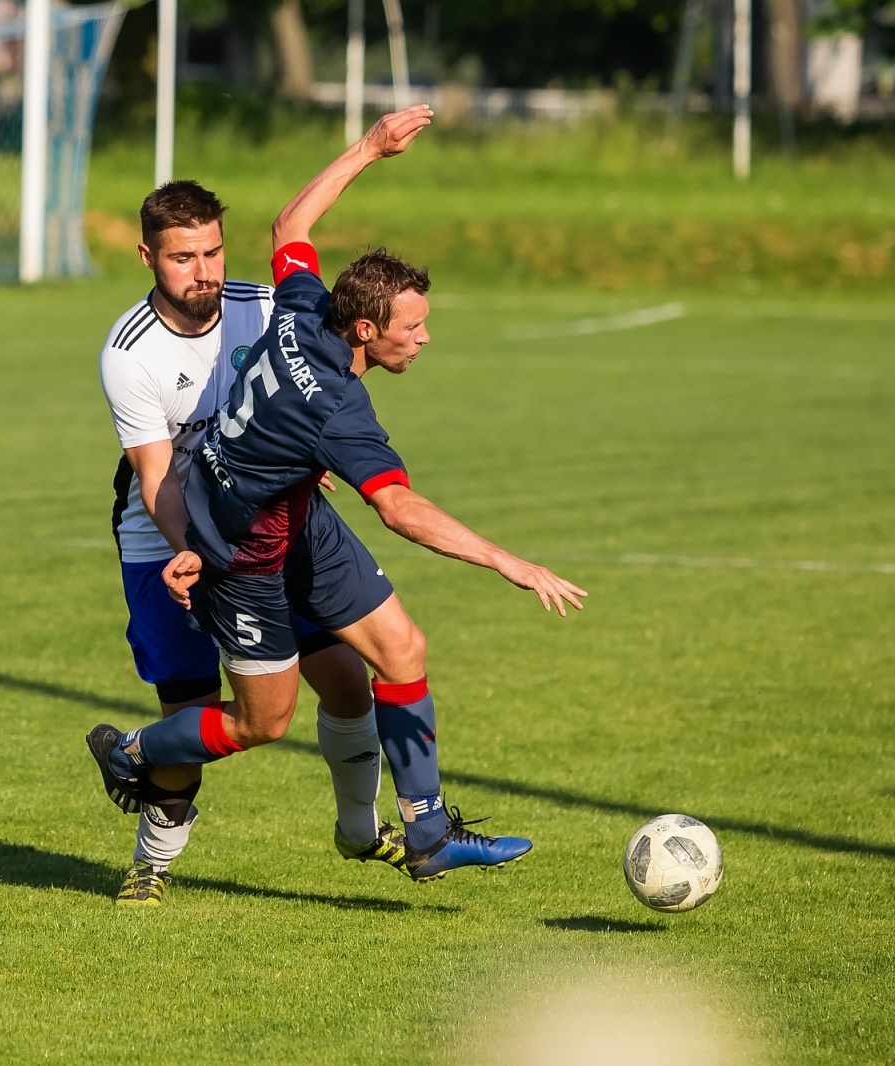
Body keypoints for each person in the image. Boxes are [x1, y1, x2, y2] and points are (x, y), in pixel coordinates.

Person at [88, 106, 588, 883]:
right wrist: (509, 562)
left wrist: (371, 148)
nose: (423, 339)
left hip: (295, 517)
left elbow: (293, 219)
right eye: (411, 328)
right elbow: (399, 509)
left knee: (396, 654)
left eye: (214, 250)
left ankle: (422, 834)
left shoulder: (293, 305)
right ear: (362, 330)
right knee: (261, 721)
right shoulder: (332, 407)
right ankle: (136, 760)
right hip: (231, 542)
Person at [95, 180, 412, 906]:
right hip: (165, 536)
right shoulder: (130, 353)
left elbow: (309, 390)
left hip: (266, 527)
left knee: (343, 675)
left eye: (212, 250)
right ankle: (152, 862)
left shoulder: (259, 306)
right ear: (148, 257)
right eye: (182, 257)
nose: (203, 269)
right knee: (193, 720)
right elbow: (157, 481)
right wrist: (190, 548)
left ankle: (361, 832)